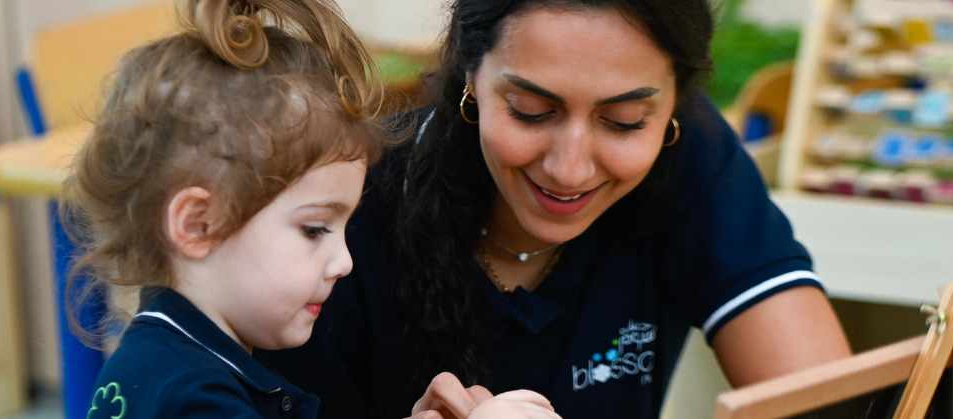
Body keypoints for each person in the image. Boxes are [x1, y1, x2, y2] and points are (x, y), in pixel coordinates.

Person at [258, 1, 853, 418]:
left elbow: (818, 401)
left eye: (624, 123)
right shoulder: (352, 202)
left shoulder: (691, 158)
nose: (570, 169)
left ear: (675, 102)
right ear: (471, 75)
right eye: (530, 110)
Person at [62, 1, 557, 417]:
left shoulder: (173, 362)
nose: (345, 262)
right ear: (197, 224)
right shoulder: (197, 400)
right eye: (315, 228)